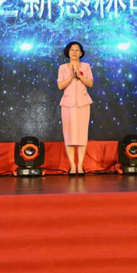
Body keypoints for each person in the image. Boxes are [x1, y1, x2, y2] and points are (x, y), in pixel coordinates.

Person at [57, 41, 93, 176]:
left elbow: (90, 83)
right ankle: (72, 166)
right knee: (69, 135)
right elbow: (60, 86)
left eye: (77, 50)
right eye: (72, 50)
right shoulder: (62, 67)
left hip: (83, 104)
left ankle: (80, 166)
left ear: (81, 53)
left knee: (82, 135)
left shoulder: (86, 66)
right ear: (68, 52)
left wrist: (80, 75)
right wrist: (71, 76)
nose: (74, 52)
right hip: (67, 105)